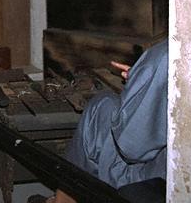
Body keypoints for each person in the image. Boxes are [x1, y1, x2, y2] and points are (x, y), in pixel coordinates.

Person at [28, 39, 168, 203]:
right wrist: (143, 81)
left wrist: (142, 84)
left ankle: (65, 199)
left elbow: (132, 148)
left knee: (102, 107)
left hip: (161, 180)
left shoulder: (167, 54)